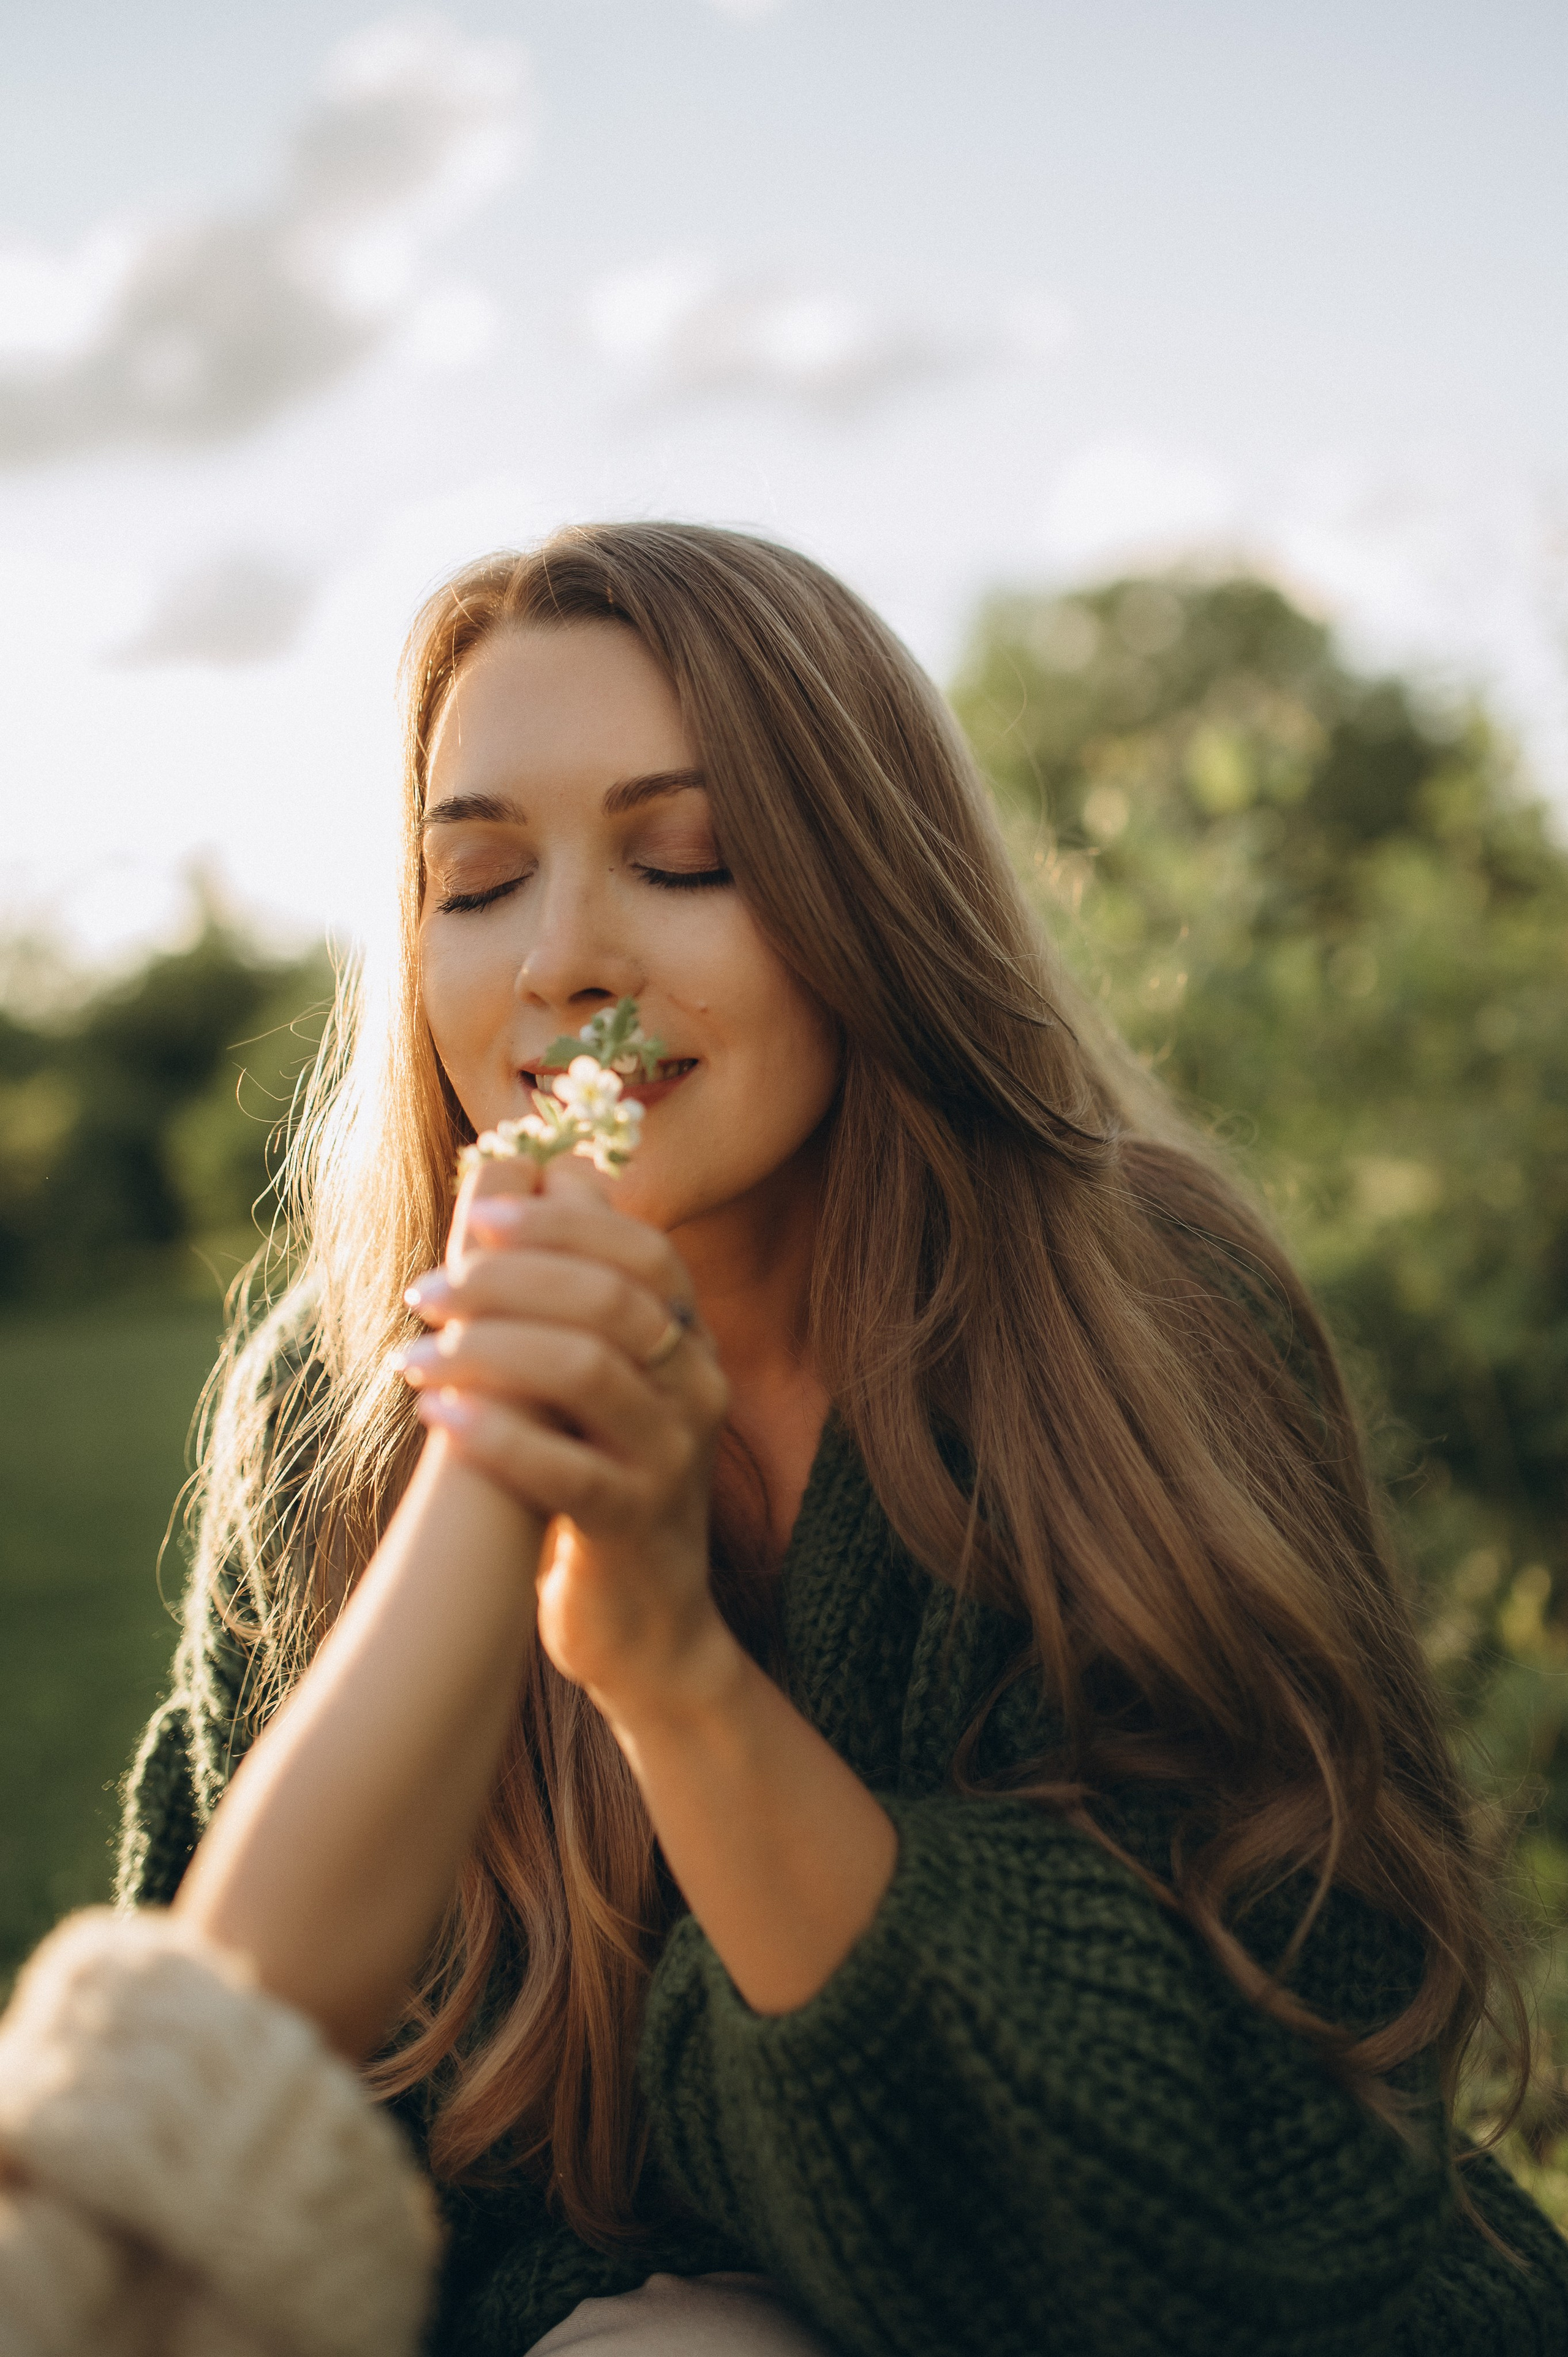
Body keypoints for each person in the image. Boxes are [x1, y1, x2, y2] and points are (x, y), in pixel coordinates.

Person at [118, 522, 1568, 2355]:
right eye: (476, 883)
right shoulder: (333, 1420)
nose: (568, 959)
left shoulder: (1133, 1320)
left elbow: (1249, 2166)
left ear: (866, 894)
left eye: (685, 859)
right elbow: (224, 2133)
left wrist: (667, 1666)